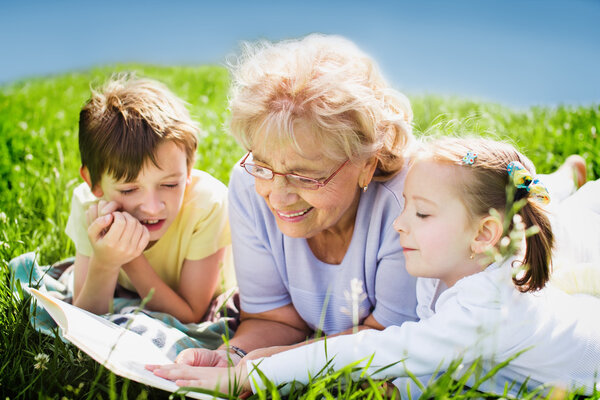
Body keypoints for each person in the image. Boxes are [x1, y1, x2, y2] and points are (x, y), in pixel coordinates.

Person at [148, 137, 600, 397]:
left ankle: (565, 186)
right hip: (558, 312)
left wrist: (251, 375)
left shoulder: (482, 310)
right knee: (546, 225)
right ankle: (561, 183)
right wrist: (253, 355)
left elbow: (374, 352)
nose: (399, 225)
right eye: (405, 208)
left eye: (421, 214)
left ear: (482, 235)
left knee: (566, 234)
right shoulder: (457, 265)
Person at [167, 34, 419, 366]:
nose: (278, 196)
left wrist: (264, 368)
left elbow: (388, 341)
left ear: (366, 165)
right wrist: (233, 357)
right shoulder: (247, 183)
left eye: (305, 175)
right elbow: (274, 319)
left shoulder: (410, 205)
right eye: (263, 165)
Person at [65, 75, 233, 323]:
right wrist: (104, 263)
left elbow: (191, 315)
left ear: (188, 168)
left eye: (169, 184)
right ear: (94, 183)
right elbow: (85, 320)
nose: (153, 207)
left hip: (197, 303)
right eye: (129, 190)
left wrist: (129, 257)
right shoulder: (89, 206)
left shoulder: (207, 205)